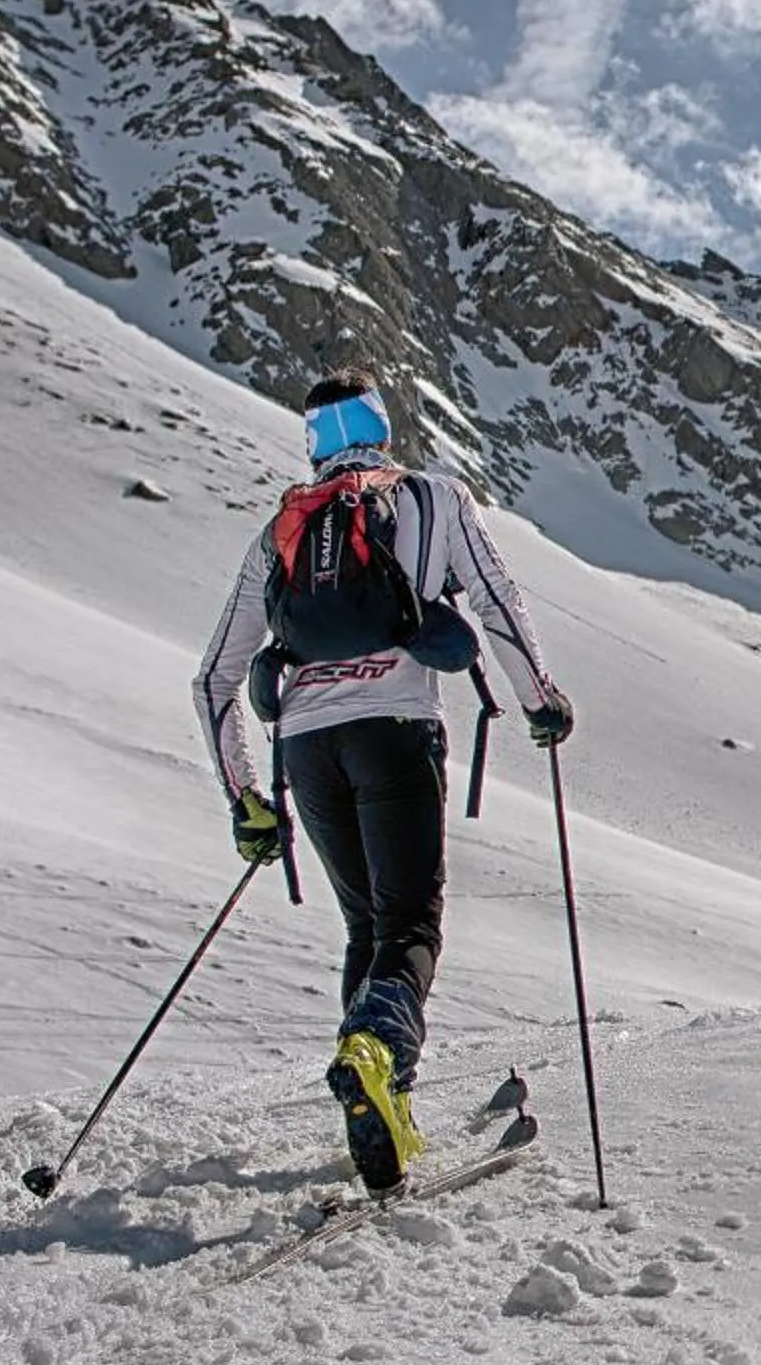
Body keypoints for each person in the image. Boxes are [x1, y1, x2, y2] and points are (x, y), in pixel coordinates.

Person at [194, 376, 573, 1194]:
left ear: (314, 444)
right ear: (383, 428)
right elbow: (500, 602)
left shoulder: (284, 531)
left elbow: (214, 680)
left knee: (366, 926)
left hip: (304, 748)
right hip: (396, 730)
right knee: (410, 923)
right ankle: (375, 1054)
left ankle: (383, 1108)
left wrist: (245, 800)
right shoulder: (431, 498)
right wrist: (541, 698)